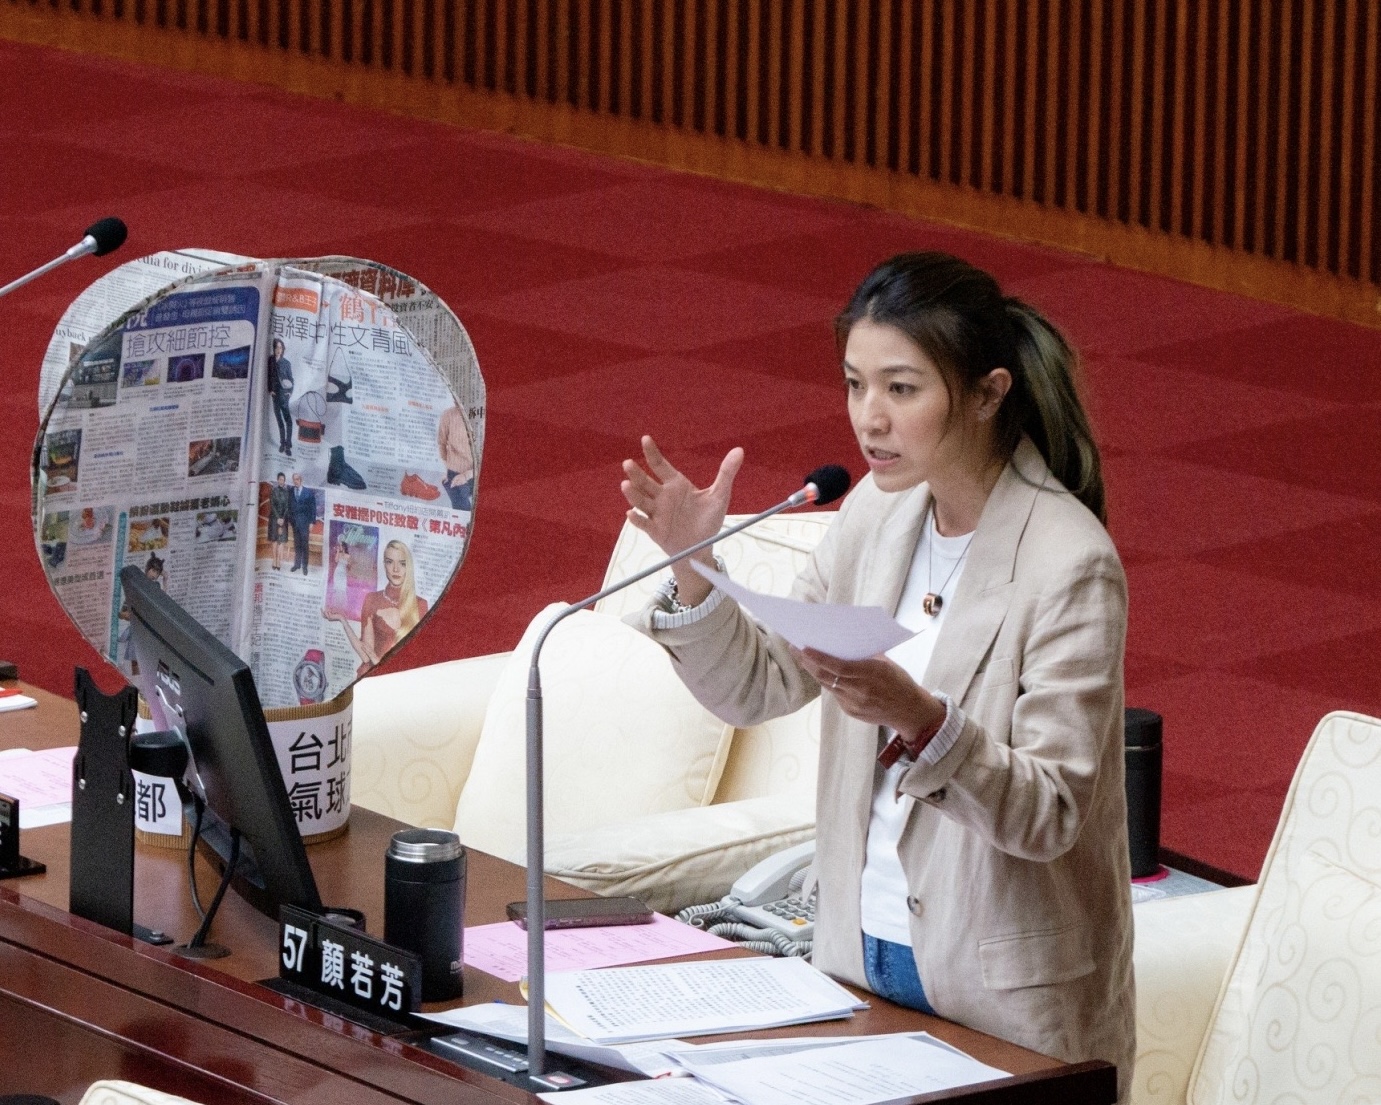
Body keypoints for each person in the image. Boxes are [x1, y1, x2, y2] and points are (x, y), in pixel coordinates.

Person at [621, 253, 1134, 1099]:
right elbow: (760, 685)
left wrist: (923, 720)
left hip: (1001, 993)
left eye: (901, 389)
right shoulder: (876, 512)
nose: (869, 419)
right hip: (858, 953)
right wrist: (693, 571)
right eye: (855, 384)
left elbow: (1052, 811)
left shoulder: (1069, 563)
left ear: (986, 391)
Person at [322, 539, 428, 676]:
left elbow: (417, 659)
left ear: (409, 566)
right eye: (390, 562)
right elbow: (366, 656)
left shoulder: (420, 604)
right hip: (374, 678)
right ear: (384, 565)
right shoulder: (372, 599)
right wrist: (342, 620)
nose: (396, 569)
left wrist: (378, 661)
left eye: (402, 563)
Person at [437, 400, 475, 511]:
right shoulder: (448, 414)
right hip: (454, 472)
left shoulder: (479, 416)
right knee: (461, 509)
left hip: (476, 474)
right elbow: (442, 444)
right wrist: (449, 469)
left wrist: (466, 475)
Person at [267, 338, 294, 456]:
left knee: (288, 420)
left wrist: (290, 392)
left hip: (284, 396)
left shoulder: (286, 363)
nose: (278, 350)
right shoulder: (270, 361)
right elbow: (268, 376)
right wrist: (270, 390)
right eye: (276, 347)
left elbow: (291, 379)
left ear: (283, 349)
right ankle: (282, 443)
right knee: (279, 421)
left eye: (280, 347)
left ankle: (288, 445)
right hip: (275, 396)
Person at [288, 473, 316, 574]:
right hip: (295, 523)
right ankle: (297, 564)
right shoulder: (291, 491)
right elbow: (289, 506)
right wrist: (291, 520)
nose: (295, 481)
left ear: (301, 480)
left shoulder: (308, 492)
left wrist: (312, 522)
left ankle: (305, 566)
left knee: (304, 545)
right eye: (294, 479)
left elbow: (313, 508)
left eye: (297, 479)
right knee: (297, 545)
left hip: (305, 524)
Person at [268, 472, 291, 570]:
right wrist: (278, 518)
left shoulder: (287, 492)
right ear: (278, 480)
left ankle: (279, 560)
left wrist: (282, 518)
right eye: (280, 479)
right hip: (274, 518)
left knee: (281, 540)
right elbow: (272, 505)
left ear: (284, 481)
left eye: (283, 479)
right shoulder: (274, 491)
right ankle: (274, 559)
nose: (282, 481)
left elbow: (287, 506)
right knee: (274, 540)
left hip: (284, 519)